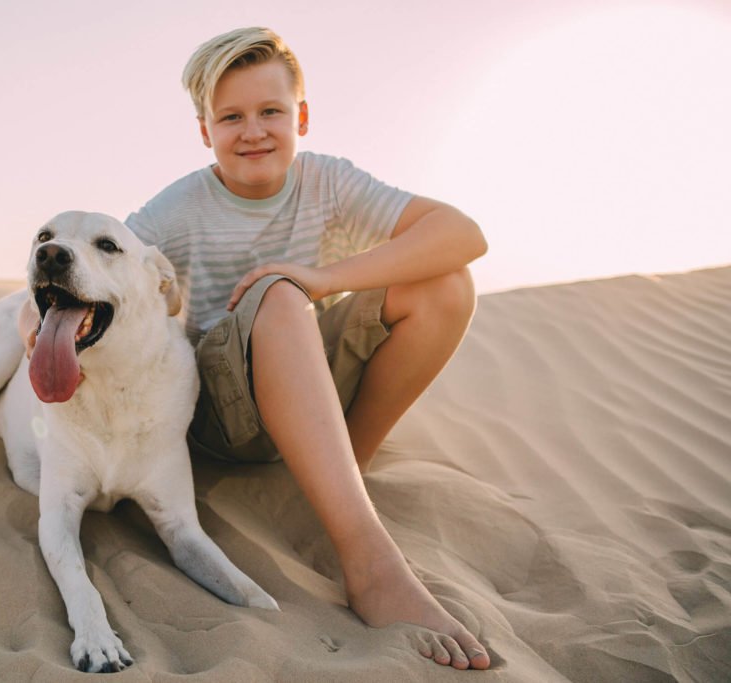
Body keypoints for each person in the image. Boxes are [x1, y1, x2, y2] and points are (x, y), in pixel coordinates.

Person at [24, 26, 490, 670]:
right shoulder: (176, 210)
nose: (253, 131)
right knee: (275, 293)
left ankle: (344, 464)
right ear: (204, 130)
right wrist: (41, 336)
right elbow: (88, 273)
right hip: (223, 415)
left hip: (308, 382)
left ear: (300, 116)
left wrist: (321, 279)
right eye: (231, 117)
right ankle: (371, 563)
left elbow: (462, 234)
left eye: (271, 111)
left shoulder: (328, 181)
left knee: (444, 284)